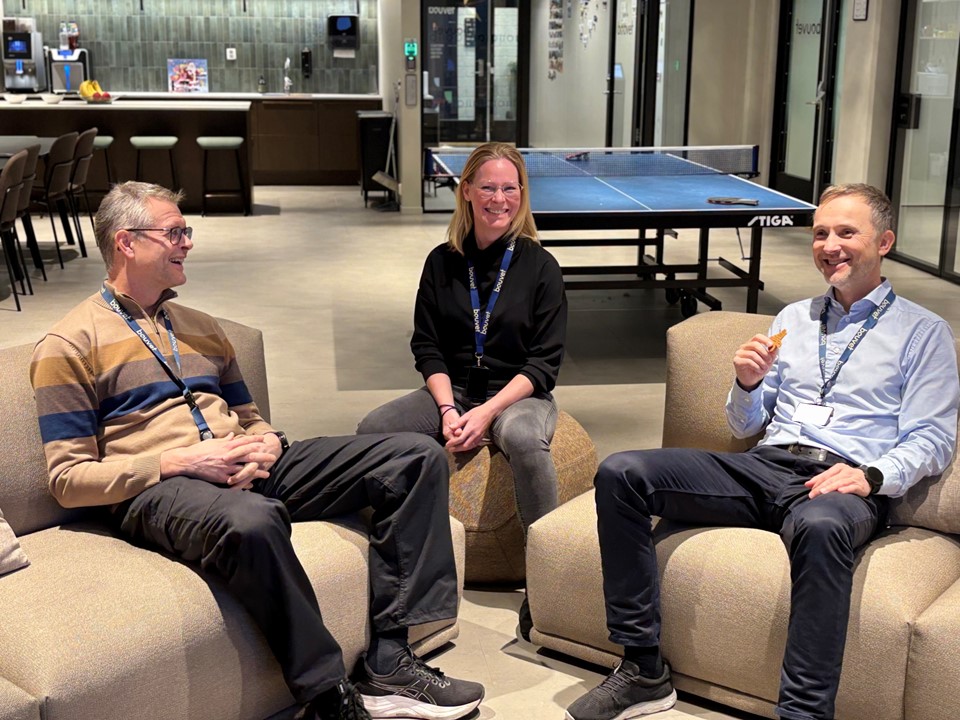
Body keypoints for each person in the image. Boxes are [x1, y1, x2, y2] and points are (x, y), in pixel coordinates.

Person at [29, 182, 485, 720]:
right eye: (174, 232)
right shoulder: (67, 346)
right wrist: (180, 460)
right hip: (162, 487)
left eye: (186, 231)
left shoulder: (203, 329)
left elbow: (251, 417)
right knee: (253, 521)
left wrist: (268, 440)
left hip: (241, 464)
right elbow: (67, 477)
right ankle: (326, 695)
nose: (187, 243)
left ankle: (391, 660)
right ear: (126, 243)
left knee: (413, 455)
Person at [566, 183, 959, 720]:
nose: (830, 245)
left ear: (884, 241)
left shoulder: (923, 332)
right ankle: (642, 669)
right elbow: (744, 424)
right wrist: (747, 384)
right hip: (765, 466)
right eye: (821, 233)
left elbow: (933, 438)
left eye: (847, 232)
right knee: (622, 472)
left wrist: (870, 475)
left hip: (838, 483)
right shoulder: (793, 318)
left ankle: (802, 713)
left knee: (821, 528)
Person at [356, 142, 567, 637]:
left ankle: (547, 582)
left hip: (518, 394)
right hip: (453, 391)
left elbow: (543, 364)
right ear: (466, 190)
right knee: (373, 428)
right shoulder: (441, 262)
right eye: (488, 187)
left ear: (521, 194)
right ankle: (387, 562)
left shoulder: (541, 267)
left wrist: (488, 413)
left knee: (521, 439)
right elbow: (426, 346)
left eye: (509, 188)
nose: (499, 198)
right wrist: (449, 409)